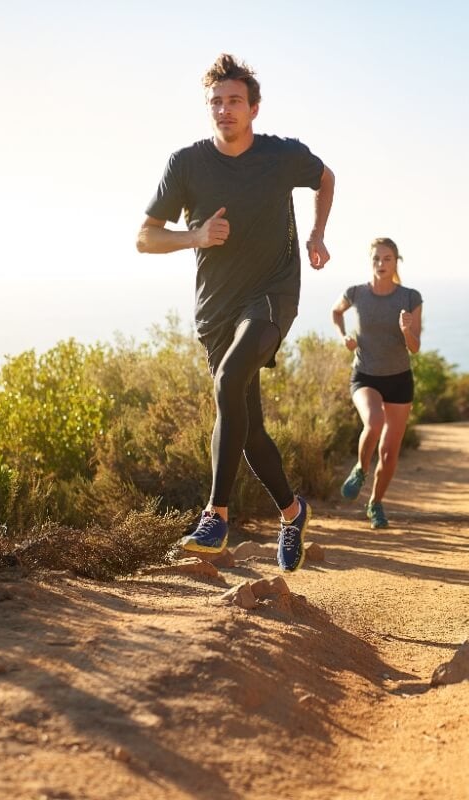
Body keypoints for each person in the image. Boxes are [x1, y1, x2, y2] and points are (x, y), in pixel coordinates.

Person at [136, 54, 335, 572]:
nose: (224, 111)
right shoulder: (186, 164)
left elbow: (325, 177)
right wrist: (195, 236)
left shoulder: (281, 156)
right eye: (216, 103)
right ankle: (293, 513)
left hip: (272, 295)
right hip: (216, 311)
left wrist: (316, 235)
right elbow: (145, 237)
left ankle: (215, 516)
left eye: (234, 102)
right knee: (247, 431)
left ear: (254, 108)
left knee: (227, 384)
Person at [331, 238, 422, 529]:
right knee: (373, 421)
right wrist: (343, 336)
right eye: (376, 259)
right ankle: (360, 469)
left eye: (387, 259)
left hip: (398, 378)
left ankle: (376, 503)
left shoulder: (410, 297)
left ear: (396, 262)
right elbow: (336, 312)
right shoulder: (356, 293)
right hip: (365, 374)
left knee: (389, 453)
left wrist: (406, 330)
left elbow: (415, 347)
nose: (381, 264)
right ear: (370, 262)